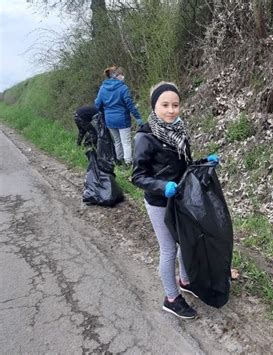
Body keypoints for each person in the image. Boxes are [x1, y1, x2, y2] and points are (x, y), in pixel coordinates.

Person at [131, 81, 219, 319]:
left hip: (180, 198)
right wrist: (162, 186)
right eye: (165, 105)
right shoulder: (145, 137)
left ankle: (186, 281)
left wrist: (204, 163)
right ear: (154, 106)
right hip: (159, 202)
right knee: (169, 249)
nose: (171, 110)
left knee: (186, 242)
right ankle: (171, 298)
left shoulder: (179, 131)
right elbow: (137, 176)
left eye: (175, 105)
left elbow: (185, 165)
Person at [95, 65, 143, 167]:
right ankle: (128, 163)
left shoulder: (102, 88)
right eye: (122, 74)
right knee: (126, 142)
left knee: (117, 141)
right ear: (116, 75)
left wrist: (104, 112)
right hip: (122, 120)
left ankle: (119, 162)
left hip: (110, 120)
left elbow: (97, 104)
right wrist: (137, 117)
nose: (123, 77)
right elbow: (129, 104)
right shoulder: (123, 88)